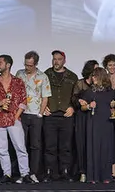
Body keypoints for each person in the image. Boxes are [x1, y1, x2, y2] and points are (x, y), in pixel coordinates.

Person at [0, 54, 34, 184]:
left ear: (8, 65)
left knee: (20, 148)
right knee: (2, 149)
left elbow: (23, 101)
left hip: (14, 119)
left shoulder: (18, 82)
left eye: (0, 63)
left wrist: (16, 116)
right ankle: (7, 174)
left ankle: (25, 173)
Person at [15, 50, 50, 181]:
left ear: (35, 64)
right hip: (22, 114)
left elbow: (45, 97)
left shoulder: (43, 76)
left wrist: (40, 113)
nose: (27, 67)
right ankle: (22, 173)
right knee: (20, 144)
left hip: (36, 115)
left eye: (30, 65)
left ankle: (33, 173)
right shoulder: (19, 74)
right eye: (25, 64)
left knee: (35, 145)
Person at [42, 50, 77, 182]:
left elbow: (76, 95)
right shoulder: (46, 75)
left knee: (66, 146)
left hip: (66, 116)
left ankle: (65, 172)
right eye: (54, 59)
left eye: (59, 59)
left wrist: (73, 108)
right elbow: (38, 93)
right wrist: (42, 106)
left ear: (64, 60)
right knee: (50, 146)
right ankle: (50, 172)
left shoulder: (72, 76)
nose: (56, 61)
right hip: (50, 115)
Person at [80, 68, 115, 184]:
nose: (93, 78)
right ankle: (93, 176)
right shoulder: (90, 91)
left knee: (106, 148)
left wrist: (113, 106)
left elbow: (114, 106)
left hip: (106, 122)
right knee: (93, 148)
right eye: (92, 76)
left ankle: (106, 176)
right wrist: (89, 106)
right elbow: (82, 107)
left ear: (101, 77)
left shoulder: (110, 91)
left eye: (95, 76)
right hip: (93, 122)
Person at [71, 59, 99, 183]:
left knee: (93, 144)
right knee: (81, 143)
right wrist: (79, 101)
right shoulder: (80, 83)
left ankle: (93, 171)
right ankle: (82, 171)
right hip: (82, 117)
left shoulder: (98, 84)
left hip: (94, 117)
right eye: (95, 69)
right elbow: (73, 98)